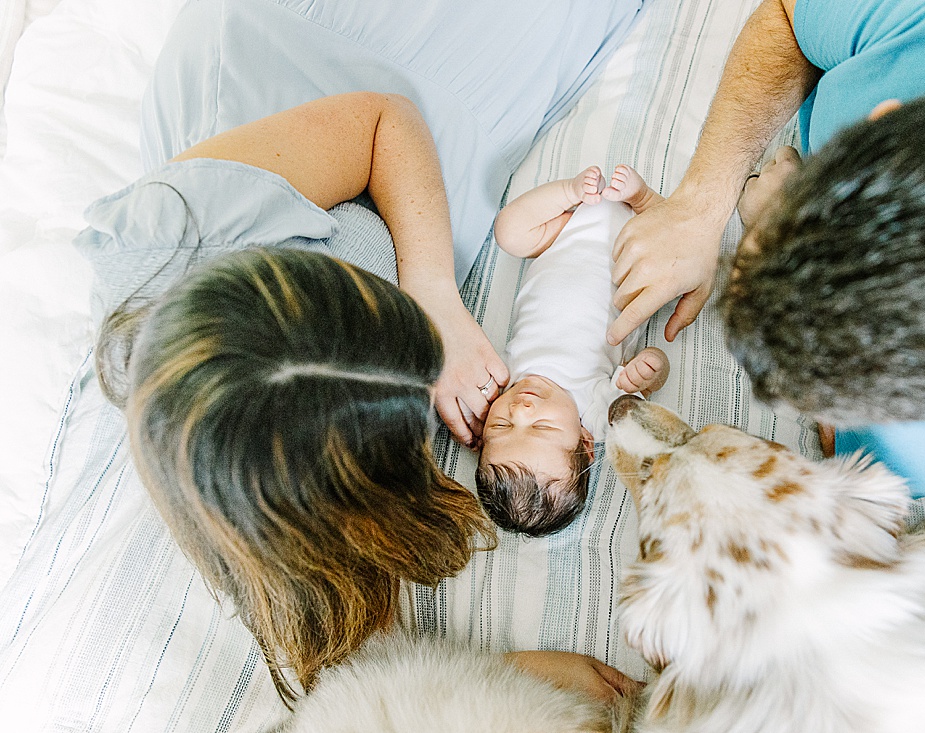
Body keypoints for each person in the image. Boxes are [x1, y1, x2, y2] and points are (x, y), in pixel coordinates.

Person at [76, 0, 647, 703]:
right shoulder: (276, 502)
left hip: (313, 62)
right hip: (446, 136)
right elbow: (340, 662)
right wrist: (508, 676)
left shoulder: (163, 242)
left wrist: (436, 298)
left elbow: (384, 121)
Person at [605, 0, 925, 495]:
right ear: (885, 119)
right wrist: (701, 203)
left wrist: (769, 212)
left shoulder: (923, 458)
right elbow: (786, 13)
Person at [477, 165, 670, 536]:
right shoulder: (596, 411)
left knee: (509, 233)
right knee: (675, 256)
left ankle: (569, 188)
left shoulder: (502, 381)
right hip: (634, 247)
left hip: (566, 233)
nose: (521, 409)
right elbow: (651, 381)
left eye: (501, 425)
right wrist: (649, 368)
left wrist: (573, 193)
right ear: (584, 441)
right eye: (541, 426)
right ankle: (645, 199)